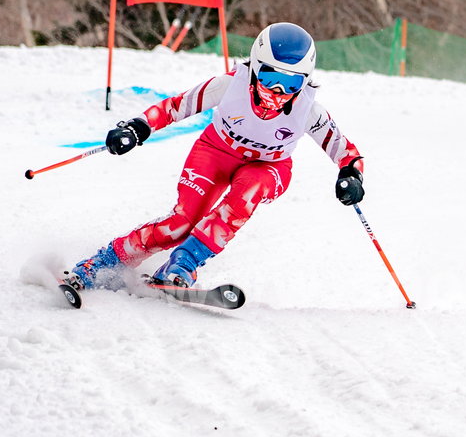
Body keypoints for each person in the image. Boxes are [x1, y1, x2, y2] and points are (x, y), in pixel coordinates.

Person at [65, 22, 364, 291]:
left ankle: (182, 265)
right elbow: (175, 107)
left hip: (268, 166)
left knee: (245, 196)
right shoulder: (230, 85)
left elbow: (345, 152)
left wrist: (351, 176)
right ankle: (104, 262)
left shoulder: (309, 110)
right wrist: (136, 127)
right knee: (181, 223)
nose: (278, 91)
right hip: (216, 151)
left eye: (292, 84)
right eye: (270, 76)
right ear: (256, 66)